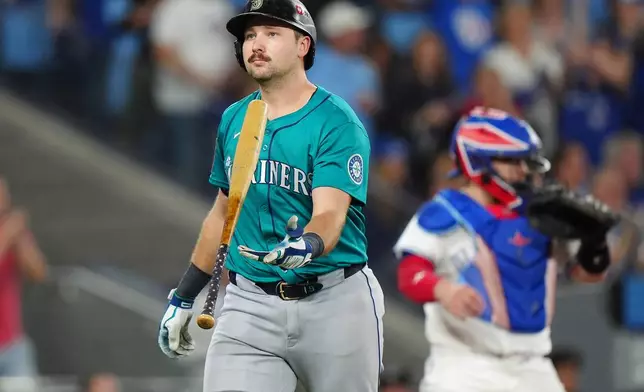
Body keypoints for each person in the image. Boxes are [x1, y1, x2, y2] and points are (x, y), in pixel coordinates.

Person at [157, 1, 384, 392]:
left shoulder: (337, 121)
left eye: (272, 33)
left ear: (303, 46)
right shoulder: (234, 119)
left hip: (334, 302)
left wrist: (308, 244)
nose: (256, 43)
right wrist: (184, 296)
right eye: (250, 35)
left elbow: (330, 214)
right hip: (251, 305)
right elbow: (222, 215)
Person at [393, 107, 611, 392]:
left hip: (533, 366)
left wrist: (595, 241)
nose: (523, 171)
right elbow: (409, 273)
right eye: (512, 161)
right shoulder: (446, 211)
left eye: (525, 162)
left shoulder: (546, 213)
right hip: (464, 365)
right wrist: (444, 290)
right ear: (478, 161)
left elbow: (589, 274)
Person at [0, 179, 48, 392]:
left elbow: (39, 272)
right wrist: (8, 232)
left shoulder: (12, 233)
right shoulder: (7, 232)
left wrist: (22, 241)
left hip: (12, 344)